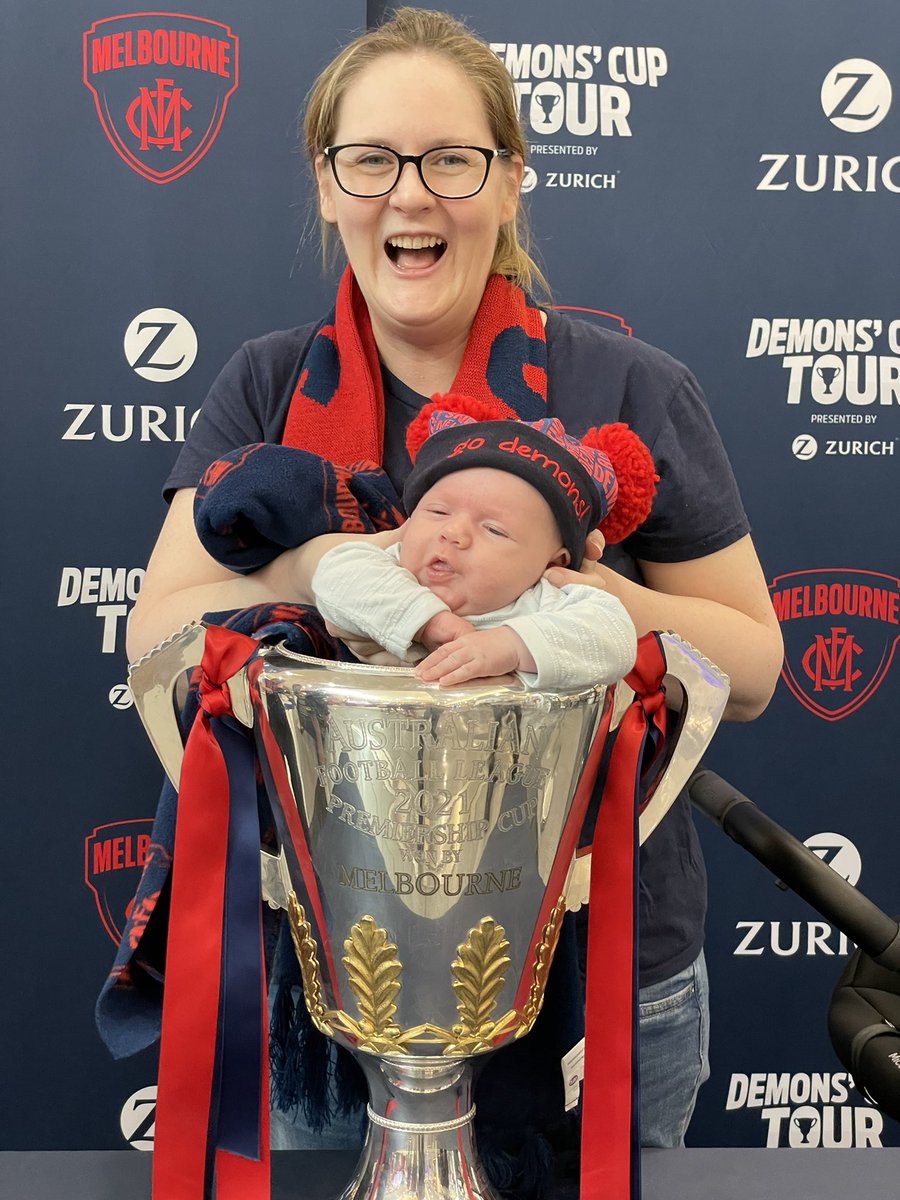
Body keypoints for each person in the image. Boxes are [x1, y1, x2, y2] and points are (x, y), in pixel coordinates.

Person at [125, 3, 783, 1160]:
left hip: (602, 961)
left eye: (451, 160)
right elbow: (159, 637)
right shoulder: (266, 387)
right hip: (326, 971)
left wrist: (573, 611)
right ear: (328, 188)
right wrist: (329, 566)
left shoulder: (629, 384)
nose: (410, 195)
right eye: (370, 161)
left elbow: (757, 664)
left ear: (511, 179)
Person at [312, 403, 654, 689]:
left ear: (553, 564)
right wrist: (428, 623)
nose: (453, 532)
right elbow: (335, 575)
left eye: (493, 529)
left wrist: (512, 645)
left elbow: (614, 638)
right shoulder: (392, 568)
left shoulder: (543, 600)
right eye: (437, 511)